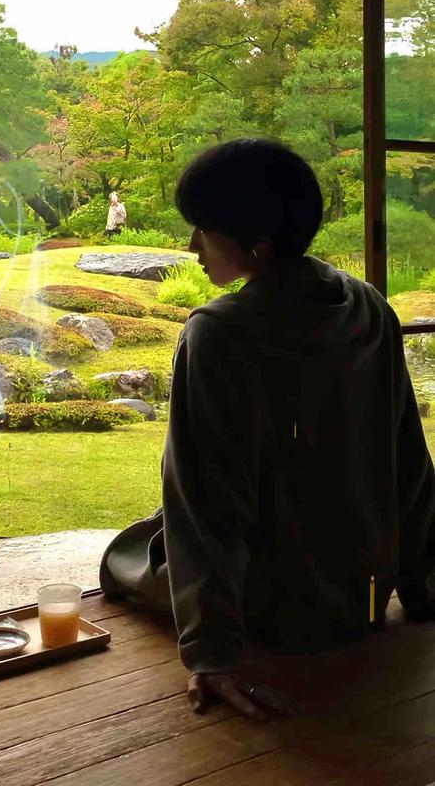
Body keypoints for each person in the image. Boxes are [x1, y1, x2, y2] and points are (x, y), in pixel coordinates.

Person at [99, 137, 435, 723]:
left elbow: (203, 499)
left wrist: (213, 655)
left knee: (128, 555)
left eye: (203, 229)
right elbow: (408, 458)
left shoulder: (218, 332)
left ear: (254, 237)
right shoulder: (368, 305)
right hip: (363, 597)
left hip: (277, 615)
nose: (191, 246)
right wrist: (425, 586)